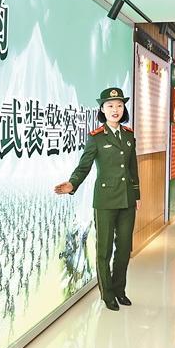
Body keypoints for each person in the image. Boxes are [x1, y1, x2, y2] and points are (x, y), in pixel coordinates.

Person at [54, 87, 141, 312]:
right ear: (102, 109)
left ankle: (120, 290)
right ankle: (107, 294)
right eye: (110, 106)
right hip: (105, 201)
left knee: (124, 249)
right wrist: (72, 184)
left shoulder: (128, 135)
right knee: (104, 250)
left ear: (124, 108)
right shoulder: (95, 138)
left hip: (127, 200)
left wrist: (136, 194)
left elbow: (132, 167)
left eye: (119, 105)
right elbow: (84, 166)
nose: (115, 109)